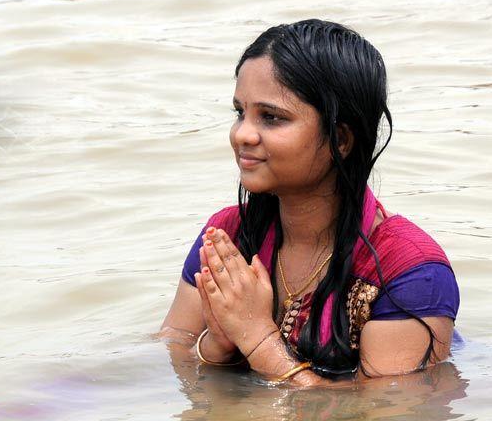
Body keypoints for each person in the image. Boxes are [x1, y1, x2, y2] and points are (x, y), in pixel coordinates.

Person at [160, 19, 459, 387]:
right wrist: (217, 345)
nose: (242, 134)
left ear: (341, 139)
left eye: (271, 117)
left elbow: (383, 420)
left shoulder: (409, 269)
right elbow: (170, 351)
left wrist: (257, 338)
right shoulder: (227, 237)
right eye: (240, 112)